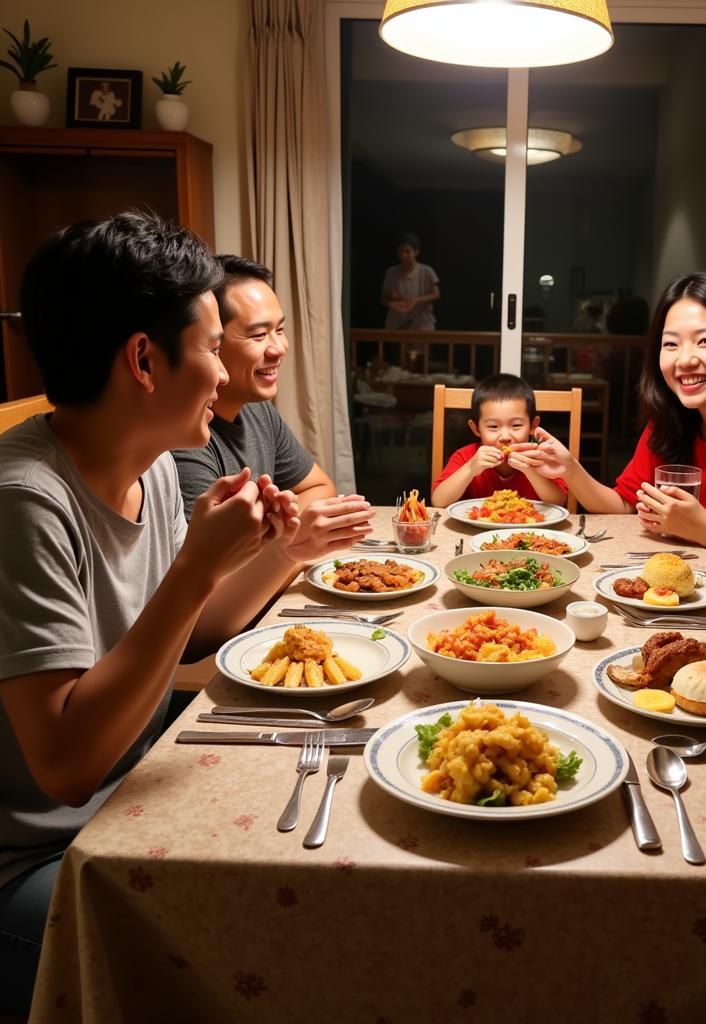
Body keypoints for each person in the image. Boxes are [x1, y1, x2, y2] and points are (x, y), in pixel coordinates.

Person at [0, 212, 303, 1014]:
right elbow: (66, 769)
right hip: (38, 860)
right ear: (144, 359)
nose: (222, 374)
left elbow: (192, 632)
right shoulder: (25, 500)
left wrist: (282, 555)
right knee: (268, 944)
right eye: (211, 347)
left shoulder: (155, 469)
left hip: (129, 802)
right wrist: (199, 564)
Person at [533, 272, 706, 566]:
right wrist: (570, 469)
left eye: (705, 341)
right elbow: (625, 505)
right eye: (671, 344)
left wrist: (703, 528)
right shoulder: (668, 425)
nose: (685, 359)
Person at [173, 256, 374, 592]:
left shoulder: (257, 409)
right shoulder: (183, 438)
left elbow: (319, 487)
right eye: (258, 335)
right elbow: (214, 576)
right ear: (213, 341)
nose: (279, 348)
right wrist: (288, 536)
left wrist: (282, 527)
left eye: (279, 330)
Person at [431, 373, 569, 507]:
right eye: (493, 426)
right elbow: (438, 501)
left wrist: (531, 471)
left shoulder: (540, 456)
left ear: (533, 425)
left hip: (530, 529)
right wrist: (471, 468)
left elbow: (559, 501)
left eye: (516, 425)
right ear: (476, 429)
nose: (505, 437)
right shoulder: (466, 457)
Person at [380, 233, 440, 330]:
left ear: (416, 251)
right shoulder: (390, 273)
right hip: (397, 323)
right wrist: (394, 304)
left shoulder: (426, 270)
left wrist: (416, 300)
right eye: (400, 252)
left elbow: (436, 294)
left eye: (407, 252)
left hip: (422, 324)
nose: (403, 255)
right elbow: (384, 299)